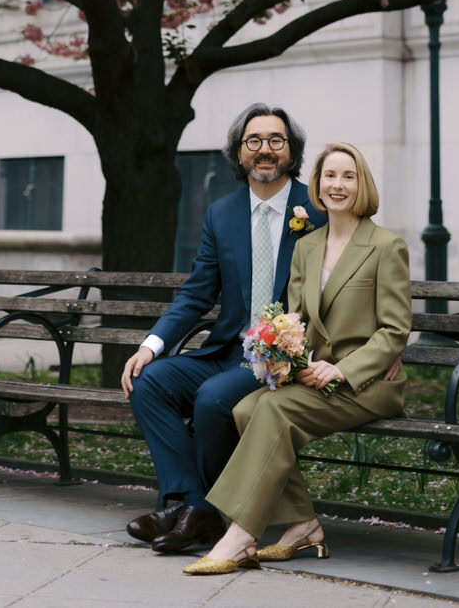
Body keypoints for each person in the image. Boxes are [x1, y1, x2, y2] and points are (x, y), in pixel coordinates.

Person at [181, 141, 411, 575]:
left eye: (348, 176)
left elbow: (394, 330)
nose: (337, 185)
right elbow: (296, 316)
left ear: (362, 185)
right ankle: (303, 525)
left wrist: (344, 368)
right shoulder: (308, 246)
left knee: (270, 412)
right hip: (313, 377)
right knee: (248, 408)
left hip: (368, 384)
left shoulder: (385, 246)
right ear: (317, 185)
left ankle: (241, 534)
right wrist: (284, 354)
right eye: (329, 175)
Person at [120, 103, 325, 554]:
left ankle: (191, 513)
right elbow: (197, 293)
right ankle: (189, 505)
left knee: (212, 400)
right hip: (229, 349)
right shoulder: (221, 214)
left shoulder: (318, 208)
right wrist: (152, 345)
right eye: (254, 141)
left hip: (285, 358)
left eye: (276, 140)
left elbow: (357, 274)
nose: (265, 150)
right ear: (238, 153)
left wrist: (378, 350)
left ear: (292, 152)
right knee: (149, 382)